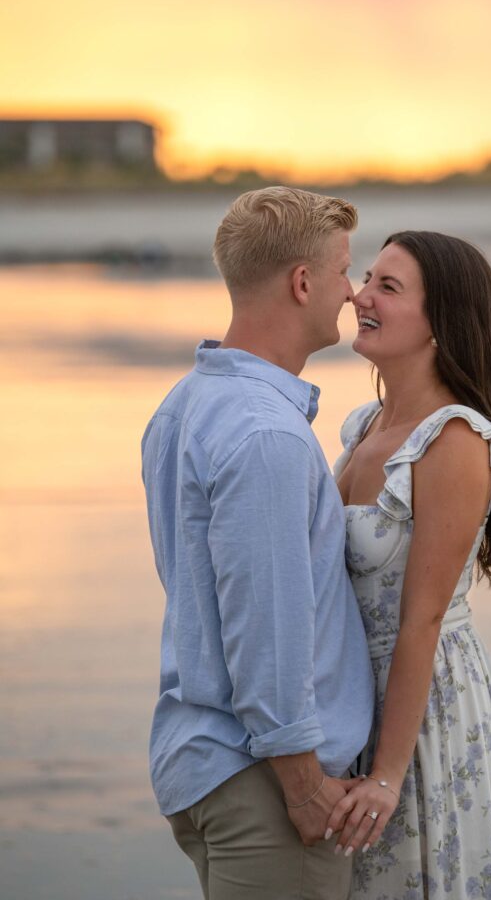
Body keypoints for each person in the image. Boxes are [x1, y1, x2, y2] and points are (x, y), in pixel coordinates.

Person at [141, 186, 374, 900]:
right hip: (265, 785)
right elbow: (263, 623)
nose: (351, 290)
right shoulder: (266, 436)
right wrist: (304, 786)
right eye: (343, 270)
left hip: (211, 764)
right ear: (302, 283)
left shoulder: (184, 406)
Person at [326, 231, 491, 899]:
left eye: (388, 288)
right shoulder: (363, 425)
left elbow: (420, 620)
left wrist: (388, 774)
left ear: (441, 321)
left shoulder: (453, 439)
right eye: (366, 279)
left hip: (426, 708)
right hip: (353, 694)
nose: (361, 296)